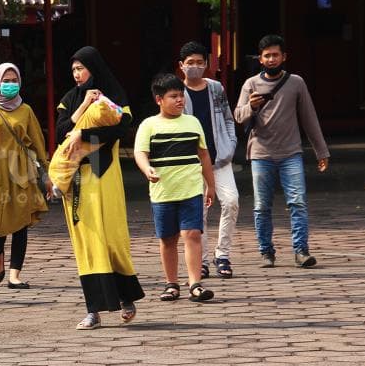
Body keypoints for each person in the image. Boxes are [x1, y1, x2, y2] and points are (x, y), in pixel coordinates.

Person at [56, 46, 145, 329]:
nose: (76, 74)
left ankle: (126, 298)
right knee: (87, 242)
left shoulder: (114, 94)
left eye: (81, 68)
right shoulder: (70, 99)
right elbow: (60, 132)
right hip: (77, 178)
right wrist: (83, 106)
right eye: (73, 69)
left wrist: (83, 133)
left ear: (94, 68)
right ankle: (93, 310)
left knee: (111, 237)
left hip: (105, 174)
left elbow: (121, 127)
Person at [233, 34, 329, 268]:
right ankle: (266, 252)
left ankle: (301, 251)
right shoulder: (250, 84)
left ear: (284, 56)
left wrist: (321, 151)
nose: (271, 59)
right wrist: (251, 106)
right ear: (260, 59)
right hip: (260, 154)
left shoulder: (296, 82)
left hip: (291, 153)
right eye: (267, 55)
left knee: (298, 203)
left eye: (275, 55)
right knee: (261, 206)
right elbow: (238, 116)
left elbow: (309, 117)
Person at [134, 73, 215, 303]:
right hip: (163, 193)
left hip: (191, 190)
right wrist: (147, 169)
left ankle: (195, 284)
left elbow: (204, 155)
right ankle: (171, 284)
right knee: (168, 239)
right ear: (159, 99)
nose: (180, 100)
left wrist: (210, 185)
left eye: (181, 95)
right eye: (173, 96)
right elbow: (140, 153)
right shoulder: (149, 125)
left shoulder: (193, 122)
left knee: (192, 234)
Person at [0, 63, 52, 289]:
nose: (10, 85)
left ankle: (15, 275)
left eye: (14, 80)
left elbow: (38, 144)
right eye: (5, 81)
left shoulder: (26, 111)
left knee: (20, 224)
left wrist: (46, 175)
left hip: (21, 174)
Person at [179, 41, 239, 279]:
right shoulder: (177, 92)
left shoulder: (215, 88)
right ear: (181, 65)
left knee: (231, 202)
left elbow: (228, 118)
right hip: (192, 162)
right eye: (190, 63)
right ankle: (201, 260)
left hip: (220, 158)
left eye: (199, 62)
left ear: (206, 64)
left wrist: (230, 145)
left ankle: (222, 254)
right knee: (199, 212)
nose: (194, 66)